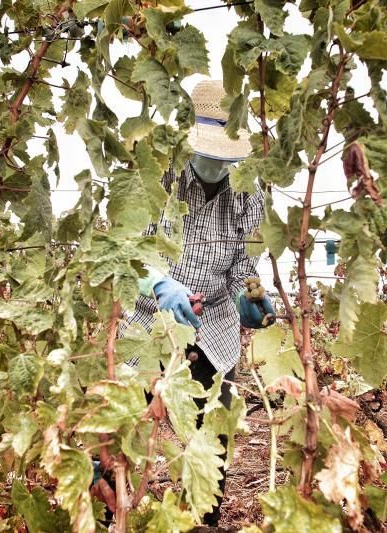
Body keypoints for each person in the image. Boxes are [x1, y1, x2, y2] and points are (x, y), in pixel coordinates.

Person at [128, 79, 276, 526]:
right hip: (150, 323)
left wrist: (249, 295)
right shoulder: (156, 178)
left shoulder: (250, 192)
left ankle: (202, 519)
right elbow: (126, 254)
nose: (216, 163)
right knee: (128, 430)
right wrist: (161, 286)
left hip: (215, 325)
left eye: (225, 156)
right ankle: (118, 510)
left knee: (211, 438)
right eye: (208, 152)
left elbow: (242, 266)